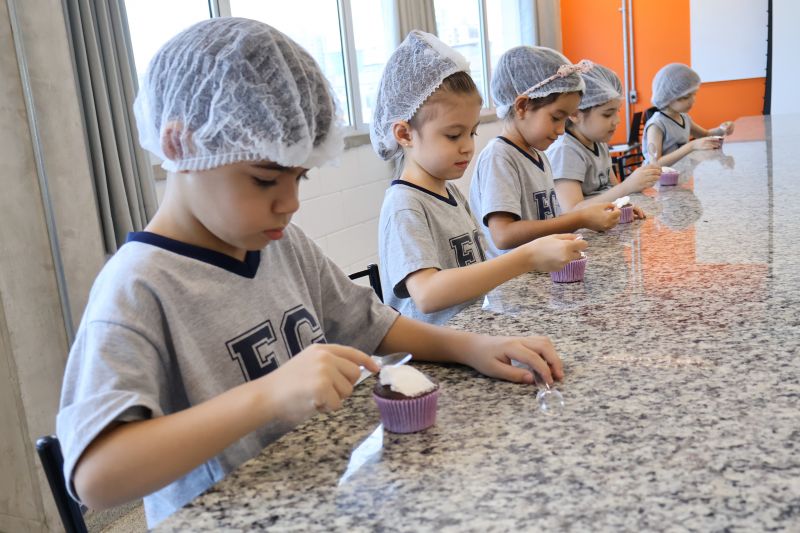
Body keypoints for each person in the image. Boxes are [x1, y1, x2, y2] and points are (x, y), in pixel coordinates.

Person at [56, 19, 564, 528]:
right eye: (264, 180)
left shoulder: (284, 245)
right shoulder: (138, 288)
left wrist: (472, 347)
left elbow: (375, 325)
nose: (290, 203)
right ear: (179, 144)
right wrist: (269, 394)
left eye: (299, 177)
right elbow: (96, 477)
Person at [371, 31, 587, 324]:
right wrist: (526, 257)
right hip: (437, 349)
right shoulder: (404, 205)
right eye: (453, 135)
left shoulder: (450, 193)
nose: (468, 146)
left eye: (471, 132)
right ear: (404, 134)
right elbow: (427, 295)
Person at [469, 47, 621, 259]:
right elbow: (503, 235)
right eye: (556, 117)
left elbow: (548, 221)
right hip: (515, 277)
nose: (561, 130)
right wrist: (580, 218)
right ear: (522, 106)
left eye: (566, 119)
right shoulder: (500, 156)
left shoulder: (538, 154)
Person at [547, 64, 660, 214]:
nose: (617, 121)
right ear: (574, 114)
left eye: (617, 111)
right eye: (607, 114)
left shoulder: (599, 143)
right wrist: (628, 186)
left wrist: (625, 204)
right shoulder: (565, 151)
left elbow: (612, 189)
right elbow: (571, 210)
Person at [642, 63, 735, 167]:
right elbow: (655, 163)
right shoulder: (656, 125)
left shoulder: (684, 118)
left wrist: (722, 129)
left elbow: (705, 134)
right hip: (659, 177)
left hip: (681, 172)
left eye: (694, 94)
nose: (692, 100)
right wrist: (691, 146)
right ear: (668, 97)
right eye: (686, 97)